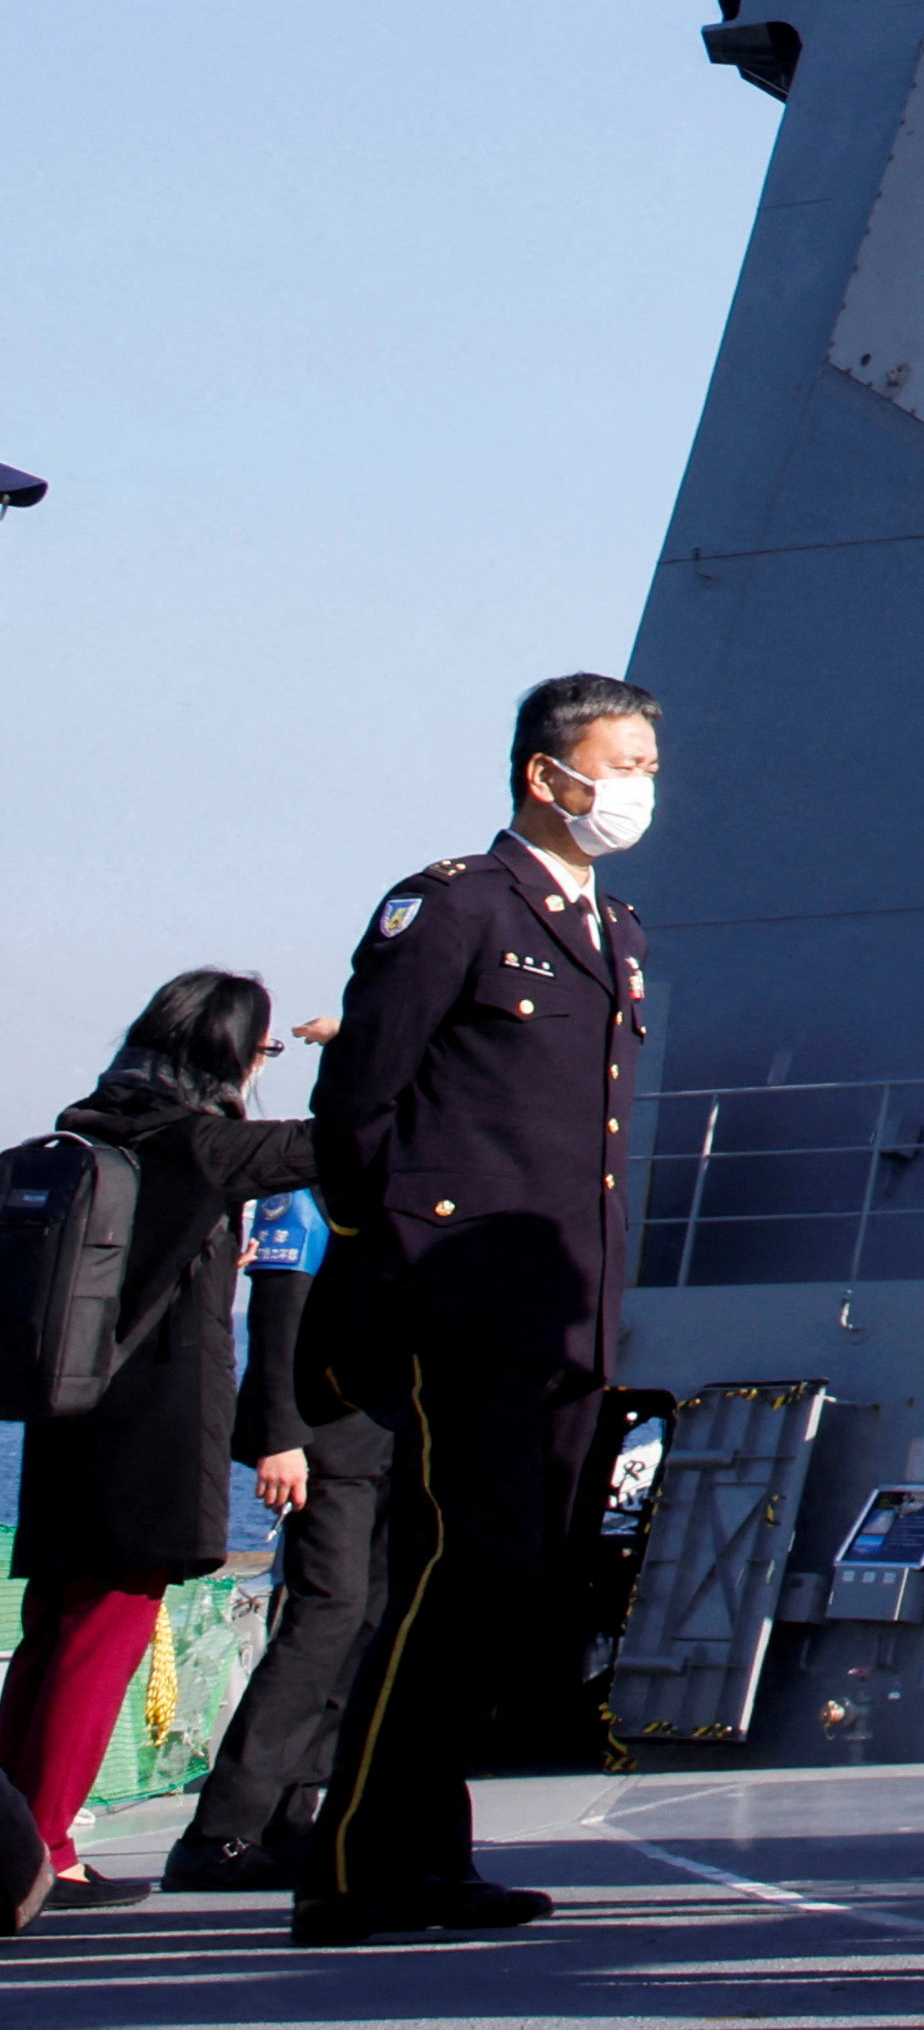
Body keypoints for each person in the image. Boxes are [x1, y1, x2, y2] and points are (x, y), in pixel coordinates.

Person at [293, 676, 664, 1947]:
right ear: (544, 773)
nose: (637, 785)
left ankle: (424, 1850)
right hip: (466, 1307)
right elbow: (357, 1105)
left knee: (505, 1579)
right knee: (462, 1562)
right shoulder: (455, 904)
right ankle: (358, 1863)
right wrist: (399, 1268)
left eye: (649, 761)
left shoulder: (612, 927)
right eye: (619, 759)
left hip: (563, 1309)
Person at [3, 974, 326, 1901]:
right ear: (228, 1051)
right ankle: (43, 1850)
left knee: (51, 1632)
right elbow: (337, 1145)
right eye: (264, 1053)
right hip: (151, 1427)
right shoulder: (200, 1144)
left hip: (65, 1412)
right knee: (106, 1632)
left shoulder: (89, 1126)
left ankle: (13, 1837)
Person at [163, 1158, 382, 1888]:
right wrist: (278, 1436)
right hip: (326, 1441)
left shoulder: (413, 1175)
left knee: (365, 1620)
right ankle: (220, 1829)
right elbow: (279, 1315)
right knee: (327, 1612)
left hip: (389, 1438)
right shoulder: (313, 1190)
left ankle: (292, 1813)